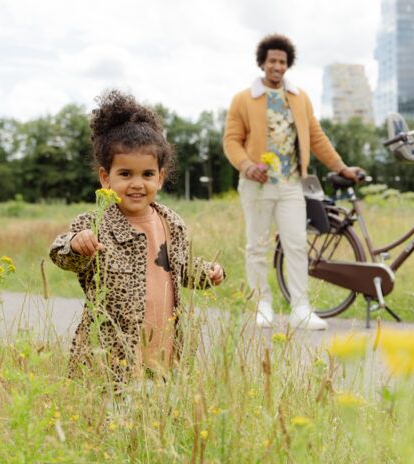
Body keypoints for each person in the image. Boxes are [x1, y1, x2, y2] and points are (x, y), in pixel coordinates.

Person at [50, 90, 224, 383]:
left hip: (164, 347)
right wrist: (76, 245)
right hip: (109, 355)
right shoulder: (96, 223)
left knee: (152, 420)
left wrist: (209, 273)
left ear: (160, 176)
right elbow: (61, 253)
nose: (137, 184)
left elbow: (182, 268)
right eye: (126, 174)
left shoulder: (172, 223)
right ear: (106, 178)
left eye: (146, 174)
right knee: (109, 420)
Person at [223, 34, 362, 331]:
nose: (277, 66)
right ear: (262, 62)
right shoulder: (243, 99)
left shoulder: (299, 99)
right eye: (272, 60)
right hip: (257, 185)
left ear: (288, 65)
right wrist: (247, 166)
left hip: (291, 184)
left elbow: (316, 138)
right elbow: (232, 141)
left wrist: (341, 166)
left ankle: (301, 308)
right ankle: (261, 304)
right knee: (257, 246)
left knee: (297, 245)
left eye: (282, 61)